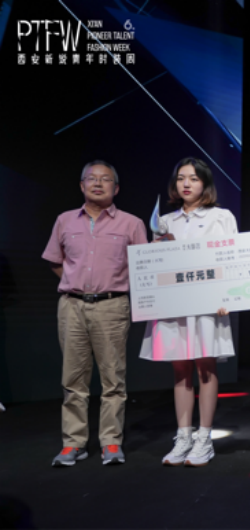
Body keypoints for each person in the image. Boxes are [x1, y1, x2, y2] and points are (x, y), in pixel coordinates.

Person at [43, 160, 147, 466]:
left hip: (112, 305)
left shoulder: (132, 223)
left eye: (105, 179)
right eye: (91, 178)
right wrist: (75, 283)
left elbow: (144, 267)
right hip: (71, 305)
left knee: (113, 378)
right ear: (81, 185)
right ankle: (73, 443)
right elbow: (55, 260)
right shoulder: (64, 220)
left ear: (116, 188)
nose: (98, 183)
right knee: (73, 378)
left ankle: (111, 442)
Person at [139, 158, 237, 467]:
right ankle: (183, 436)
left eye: (193, 178)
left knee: (206, 367)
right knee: (180, 369)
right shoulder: (166, 221)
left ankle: (204, 438)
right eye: (181, 178)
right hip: (174, 303)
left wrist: (228, 295)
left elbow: (233, 259)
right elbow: (155, 265)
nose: (186, 184)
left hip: (207, 304)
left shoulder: (221, 216)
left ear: (205, 184)